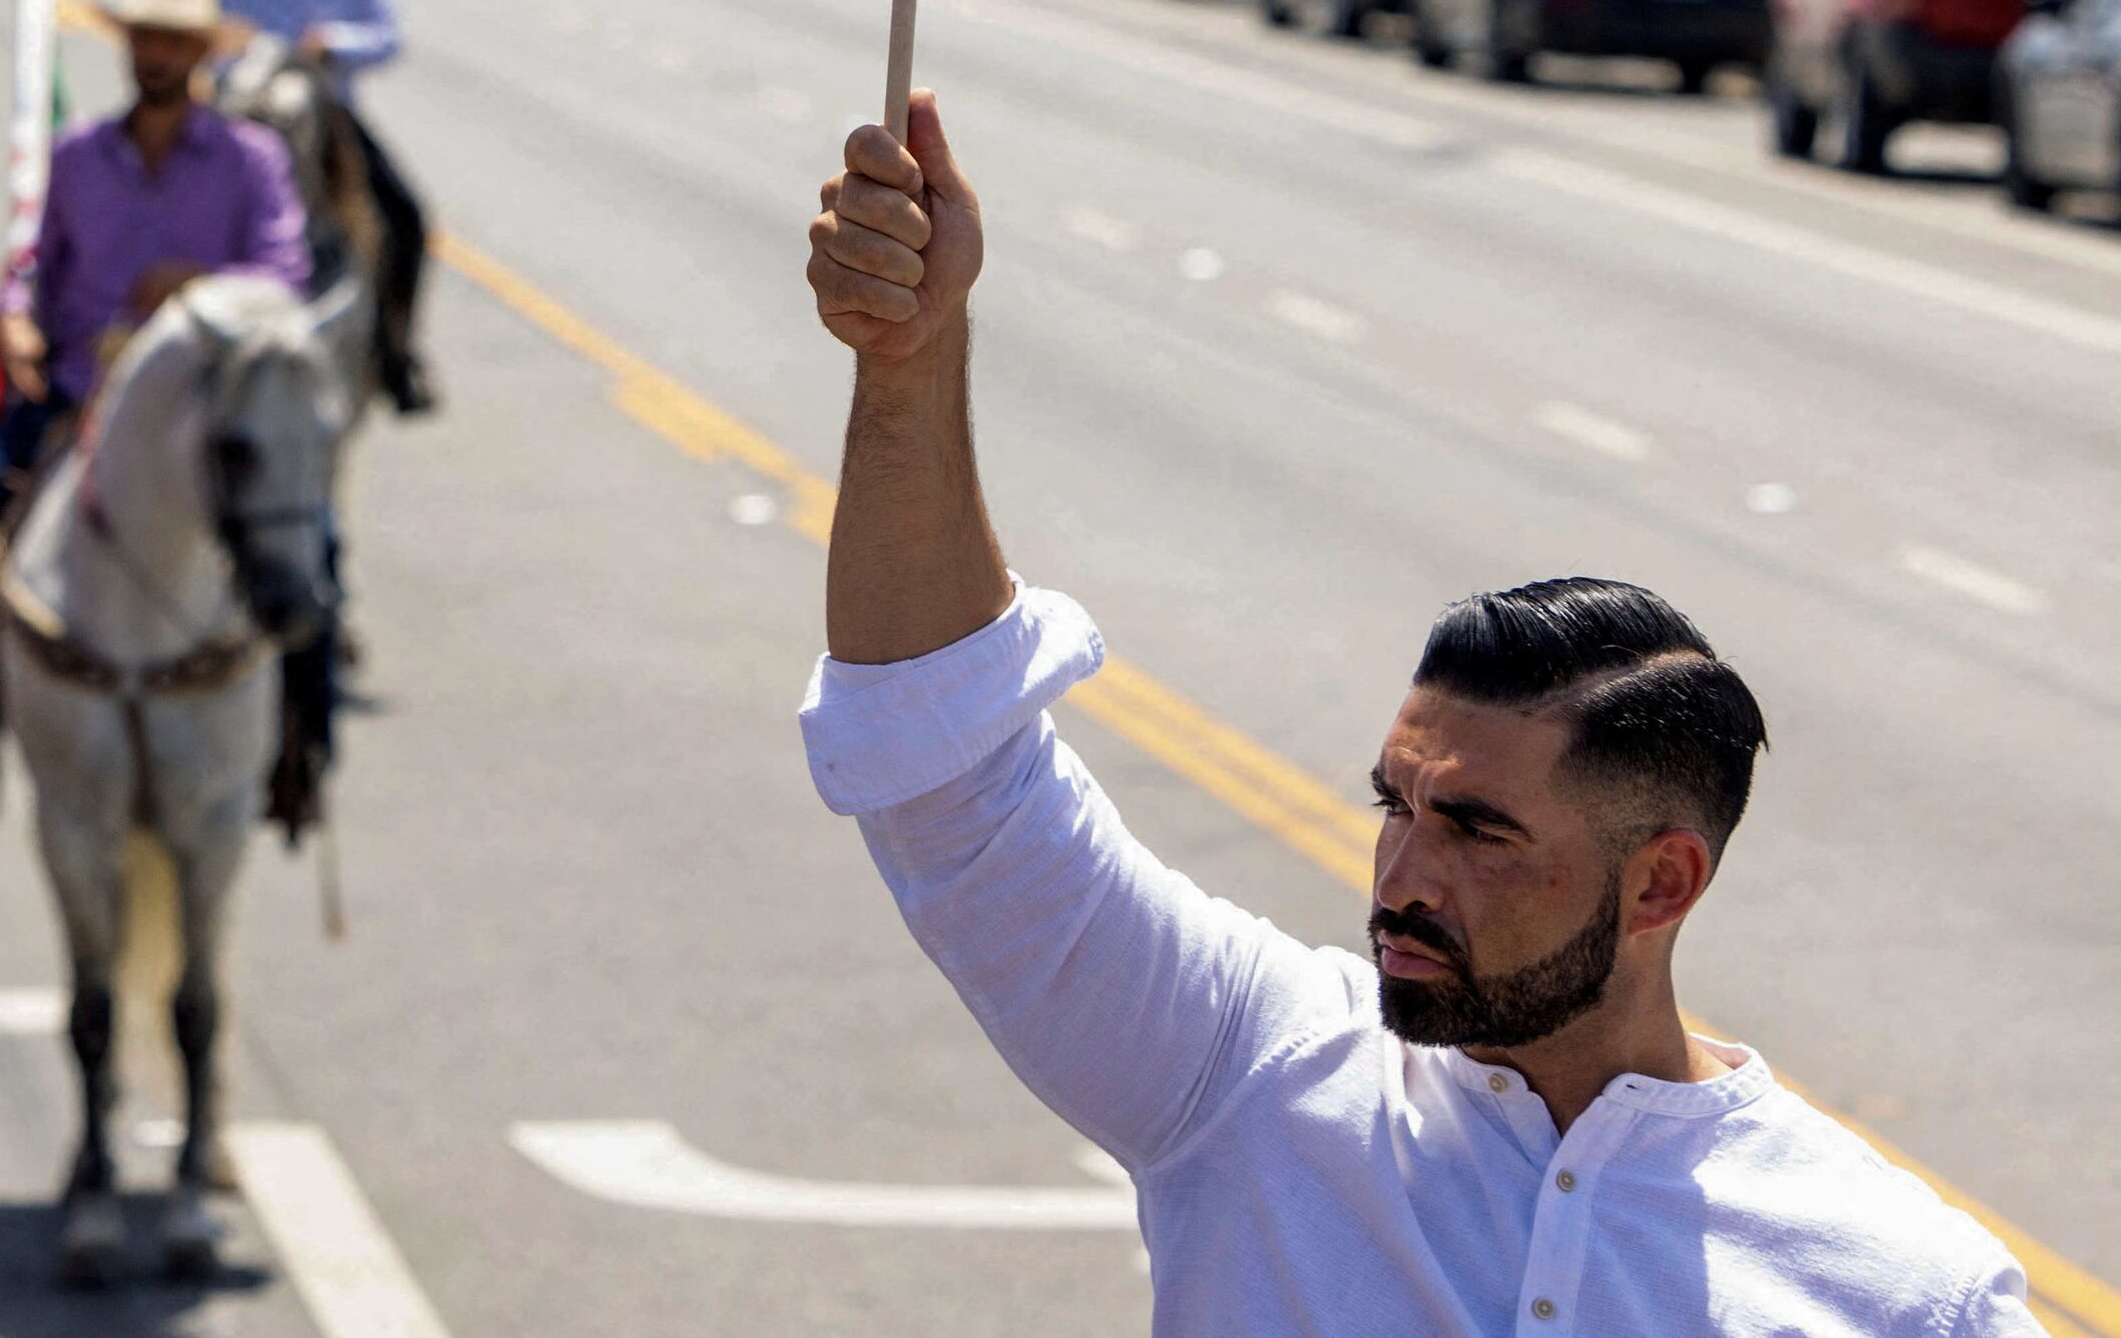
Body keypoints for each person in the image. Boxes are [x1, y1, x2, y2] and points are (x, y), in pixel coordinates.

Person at [799, 96, 2032, 1336]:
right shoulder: (1247, 1069)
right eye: (1397, 804)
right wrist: (909, 365)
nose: (1400, 875)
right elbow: (942, 769)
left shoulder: (1904, 1294)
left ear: (1659, 886)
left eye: (1478, 832)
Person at [0, 0, 312, 827]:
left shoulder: (251, 161)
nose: (156, 56)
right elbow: (31, 267)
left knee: (309, 551)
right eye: (144, 39)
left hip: (201, 413)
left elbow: (285, 277)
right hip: (74, 394)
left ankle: (298, 765)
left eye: (174, 41)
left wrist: (200, 284)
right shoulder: (80, 154)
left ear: (203, 54)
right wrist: (15, 319)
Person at [197, 0, 430, 413]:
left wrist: (336, 45)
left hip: (328, 119)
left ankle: (395, 355)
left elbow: (388, 37)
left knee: (405, 220)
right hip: (239, 119)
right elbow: (193, 40)